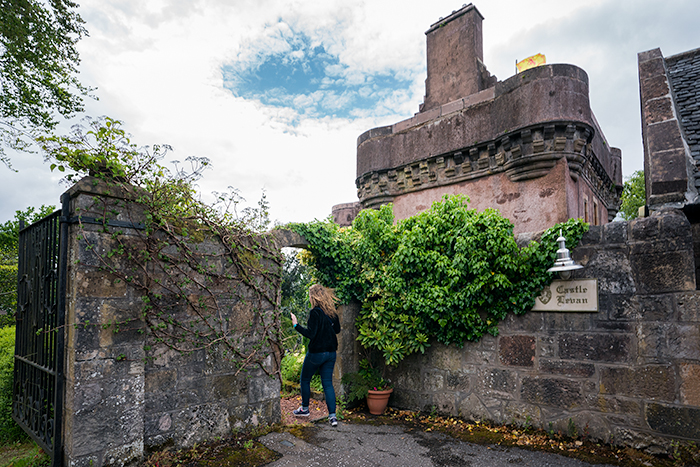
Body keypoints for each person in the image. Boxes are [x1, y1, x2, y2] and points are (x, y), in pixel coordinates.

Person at [290, 284, 341, 427]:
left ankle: (304, 409)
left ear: (313, 297)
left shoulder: (315, 313)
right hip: (331, 353)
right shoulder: (332, 312)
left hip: (317, 353)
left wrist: (296, 325)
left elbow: (310, 334)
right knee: (327, 384)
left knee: (305, 379)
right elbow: (337, 330)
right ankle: (333, 417)